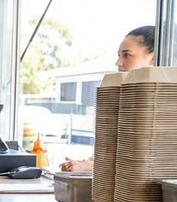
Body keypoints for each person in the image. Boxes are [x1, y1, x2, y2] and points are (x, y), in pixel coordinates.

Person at [60, 25, 154, 172]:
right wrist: (84, 163)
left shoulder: (161, 110)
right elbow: (112, 151)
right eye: (119, 55)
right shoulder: (128, 101)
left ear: (153, 58)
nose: (118, 63)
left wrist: (90, 167)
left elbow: (139, 163)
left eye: (126, 55)